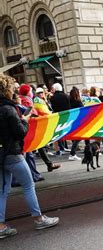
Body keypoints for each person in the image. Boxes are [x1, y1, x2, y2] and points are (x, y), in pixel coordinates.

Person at [0, 74, 59, 239]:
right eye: (12, 89)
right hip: (12, 153)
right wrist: (24, 119)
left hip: (1, 154)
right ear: (6, 90)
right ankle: (39, 218)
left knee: (3, 190)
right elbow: (20, 132)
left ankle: (1, 226)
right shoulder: (8, 108)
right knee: (28, 185)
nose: (14, 91)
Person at [18, 84, 61, 173]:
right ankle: (30, 172)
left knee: (38, 146)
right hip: (29, 126)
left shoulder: (26, 99)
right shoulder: (25, 101)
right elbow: (29, 113)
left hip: (29, 126)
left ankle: (48, 165)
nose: (31, 92)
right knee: (29, 149)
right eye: (30, 90)